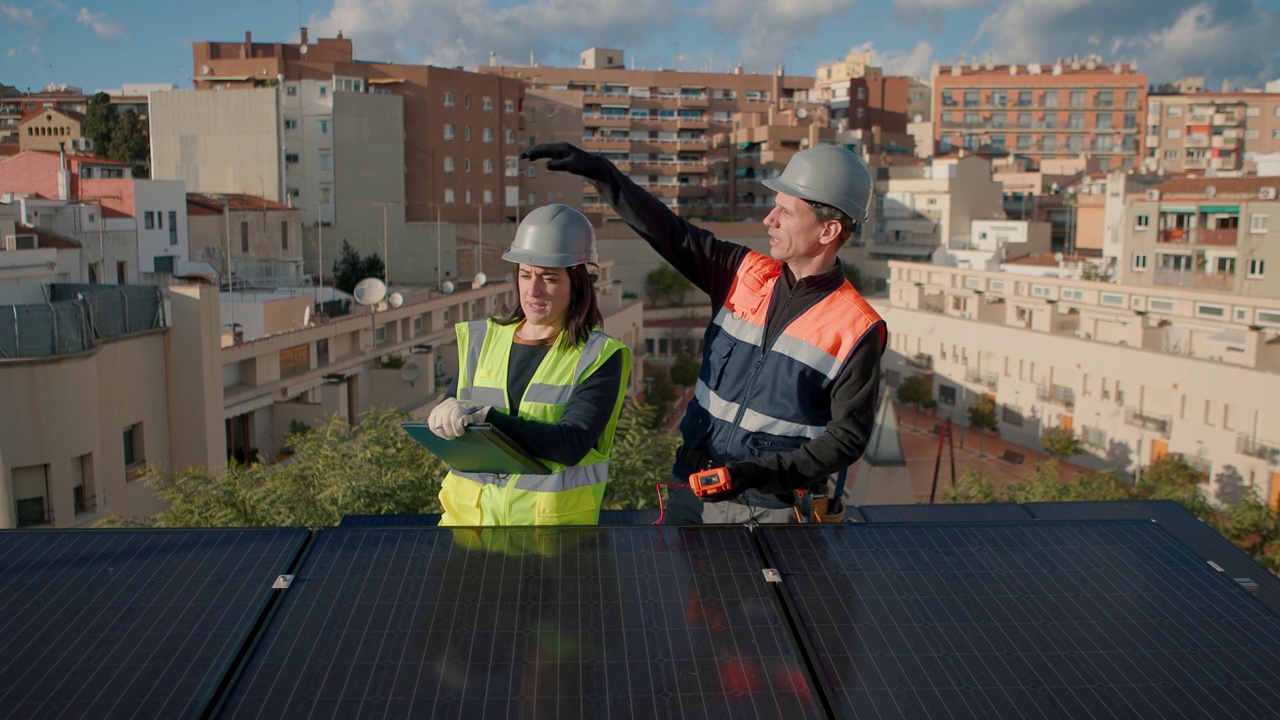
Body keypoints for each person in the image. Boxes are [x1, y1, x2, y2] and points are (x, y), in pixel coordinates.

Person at [522, 143, 886, 525]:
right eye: (774, 205)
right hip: (693, 489)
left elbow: (846, 440)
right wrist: (601, 172)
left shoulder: (856, 326)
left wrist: (753, 475)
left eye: (785, 211)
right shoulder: (741, 273)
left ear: (829, 230)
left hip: (777, 510)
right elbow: (669, 232)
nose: (769, 220)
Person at [428, 203, 631, 526]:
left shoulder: (598, 356)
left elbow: (571, 444)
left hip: (550, 541)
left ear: (577, 283)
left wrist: (487, 419)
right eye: (525, 275)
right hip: (468, 531)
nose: (533, 290)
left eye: (549, 278)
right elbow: (453, 425)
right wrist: (443, 417)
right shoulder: (482, 340)